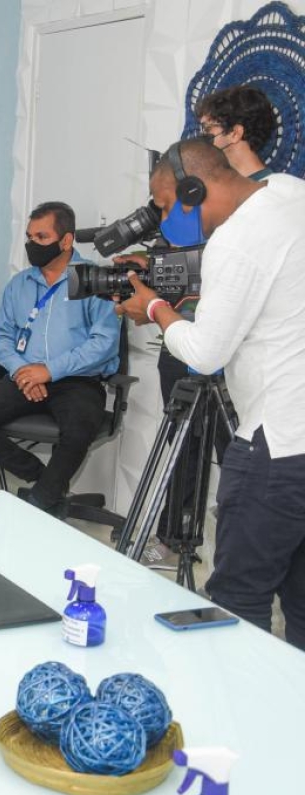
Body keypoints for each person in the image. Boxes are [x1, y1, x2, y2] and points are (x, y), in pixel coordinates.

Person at [116, 139, 305, 650]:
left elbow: (203, 353)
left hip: (275, 445)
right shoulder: (290, 195)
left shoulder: (236, 241)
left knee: (238, 599)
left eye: (163, 205)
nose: (161, 220)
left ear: (193, 189)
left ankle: (242, 724)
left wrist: (154, 308)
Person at [0, 201, 120, 514]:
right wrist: (22, 371)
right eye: (30, 237)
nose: (33, 245)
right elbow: (1, 336)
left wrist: (49, 370)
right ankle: (46, 482)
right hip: (24, 375)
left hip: (77, 380)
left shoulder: (94, 280)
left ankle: (40, 502)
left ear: (66, 240)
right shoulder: (19, 284)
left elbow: (104, 343)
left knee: (79, 429)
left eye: (42, 237)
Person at [196, 84, 277, 181]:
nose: (201, 136)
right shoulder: (224, 187)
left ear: (235, 133)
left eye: (207, 128)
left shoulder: (272, 191)